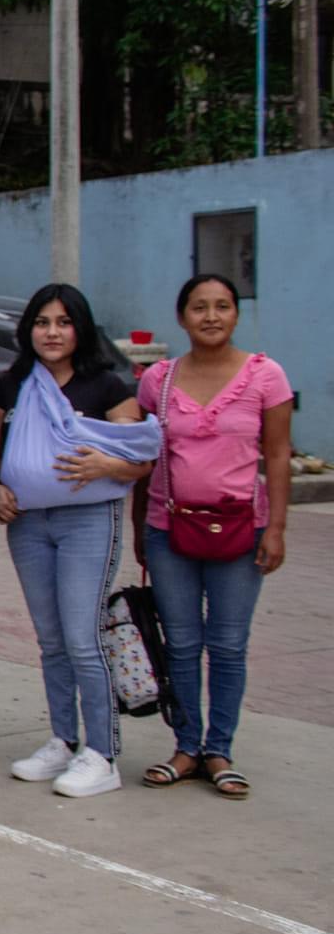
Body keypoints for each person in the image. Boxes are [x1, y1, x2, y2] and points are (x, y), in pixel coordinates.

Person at [0, 284, 155, 798]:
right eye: (42, 322)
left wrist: (107, 464)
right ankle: (64, 739)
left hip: (87, 522)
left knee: (84, 638)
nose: (52, 332)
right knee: (51, 640)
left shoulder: (105, 386)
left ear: (80, 328)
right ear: (29, 329)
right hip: (30, 524)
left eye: (63, 322)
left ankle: (102, 755)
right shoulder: (16, 384)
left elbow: (141, 456)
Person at [132, 274, 290, 800]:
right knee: (180, 644)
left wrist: (279, 529)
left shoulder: (266, 376)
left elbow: (278, 454)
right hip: (168, 526)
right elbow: (142, 452)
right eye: (199, 308)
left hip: (244, 530)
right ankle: (185, 746)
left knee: (227, 646)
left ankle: (219, 748)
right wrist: (139, 529)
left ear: (237, 315)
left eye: (223, 306)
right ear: (182, 317)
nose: (211, 316)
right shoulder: (160, 380)